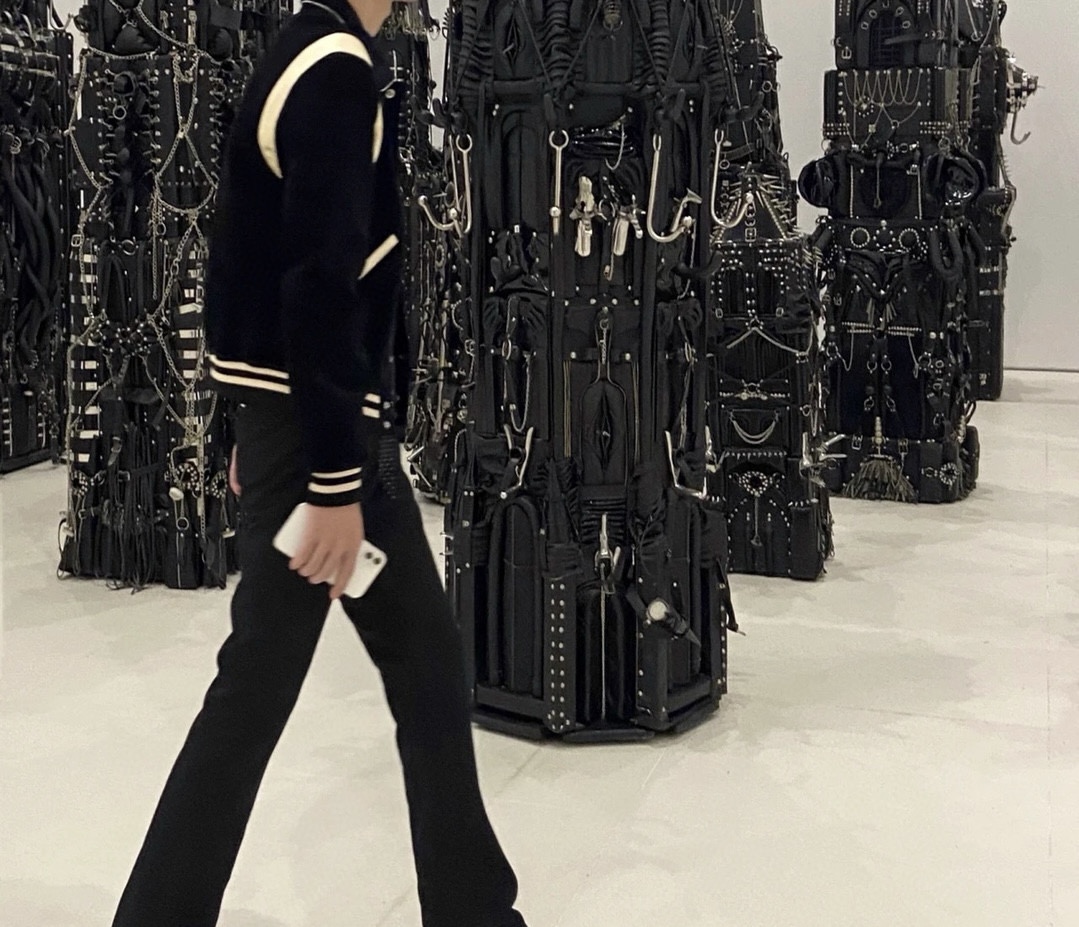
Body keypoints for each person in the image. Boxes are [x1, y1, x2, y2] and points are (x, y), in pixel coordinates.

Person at [110, 1, 528, 925]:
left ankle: (475, 909)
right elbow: (318, 282)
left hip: (309, 433)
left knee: (420, 667)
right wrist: (332, 480)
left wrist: (247, 426)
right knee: (263, 684)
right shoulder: (335, 70)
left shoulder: (302, 51)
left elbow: (244, 253)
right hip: (325, 446)